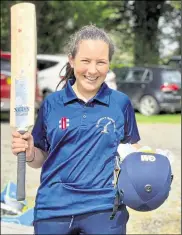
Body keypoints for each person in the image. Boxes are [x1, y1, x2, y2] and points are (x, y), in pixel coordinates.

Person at [11, 25, 142, 235]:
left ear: (109, 64)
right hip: (53, 209)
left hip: (104, 210)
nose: (92, 70)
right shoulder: (51, 104)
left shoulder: (121, 103)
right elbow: (41, 158)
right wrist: (29, 153)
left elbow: (131, 150)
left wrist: (149, 168)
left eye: (101, 62)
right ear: (71, 60)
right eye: (85, 61)